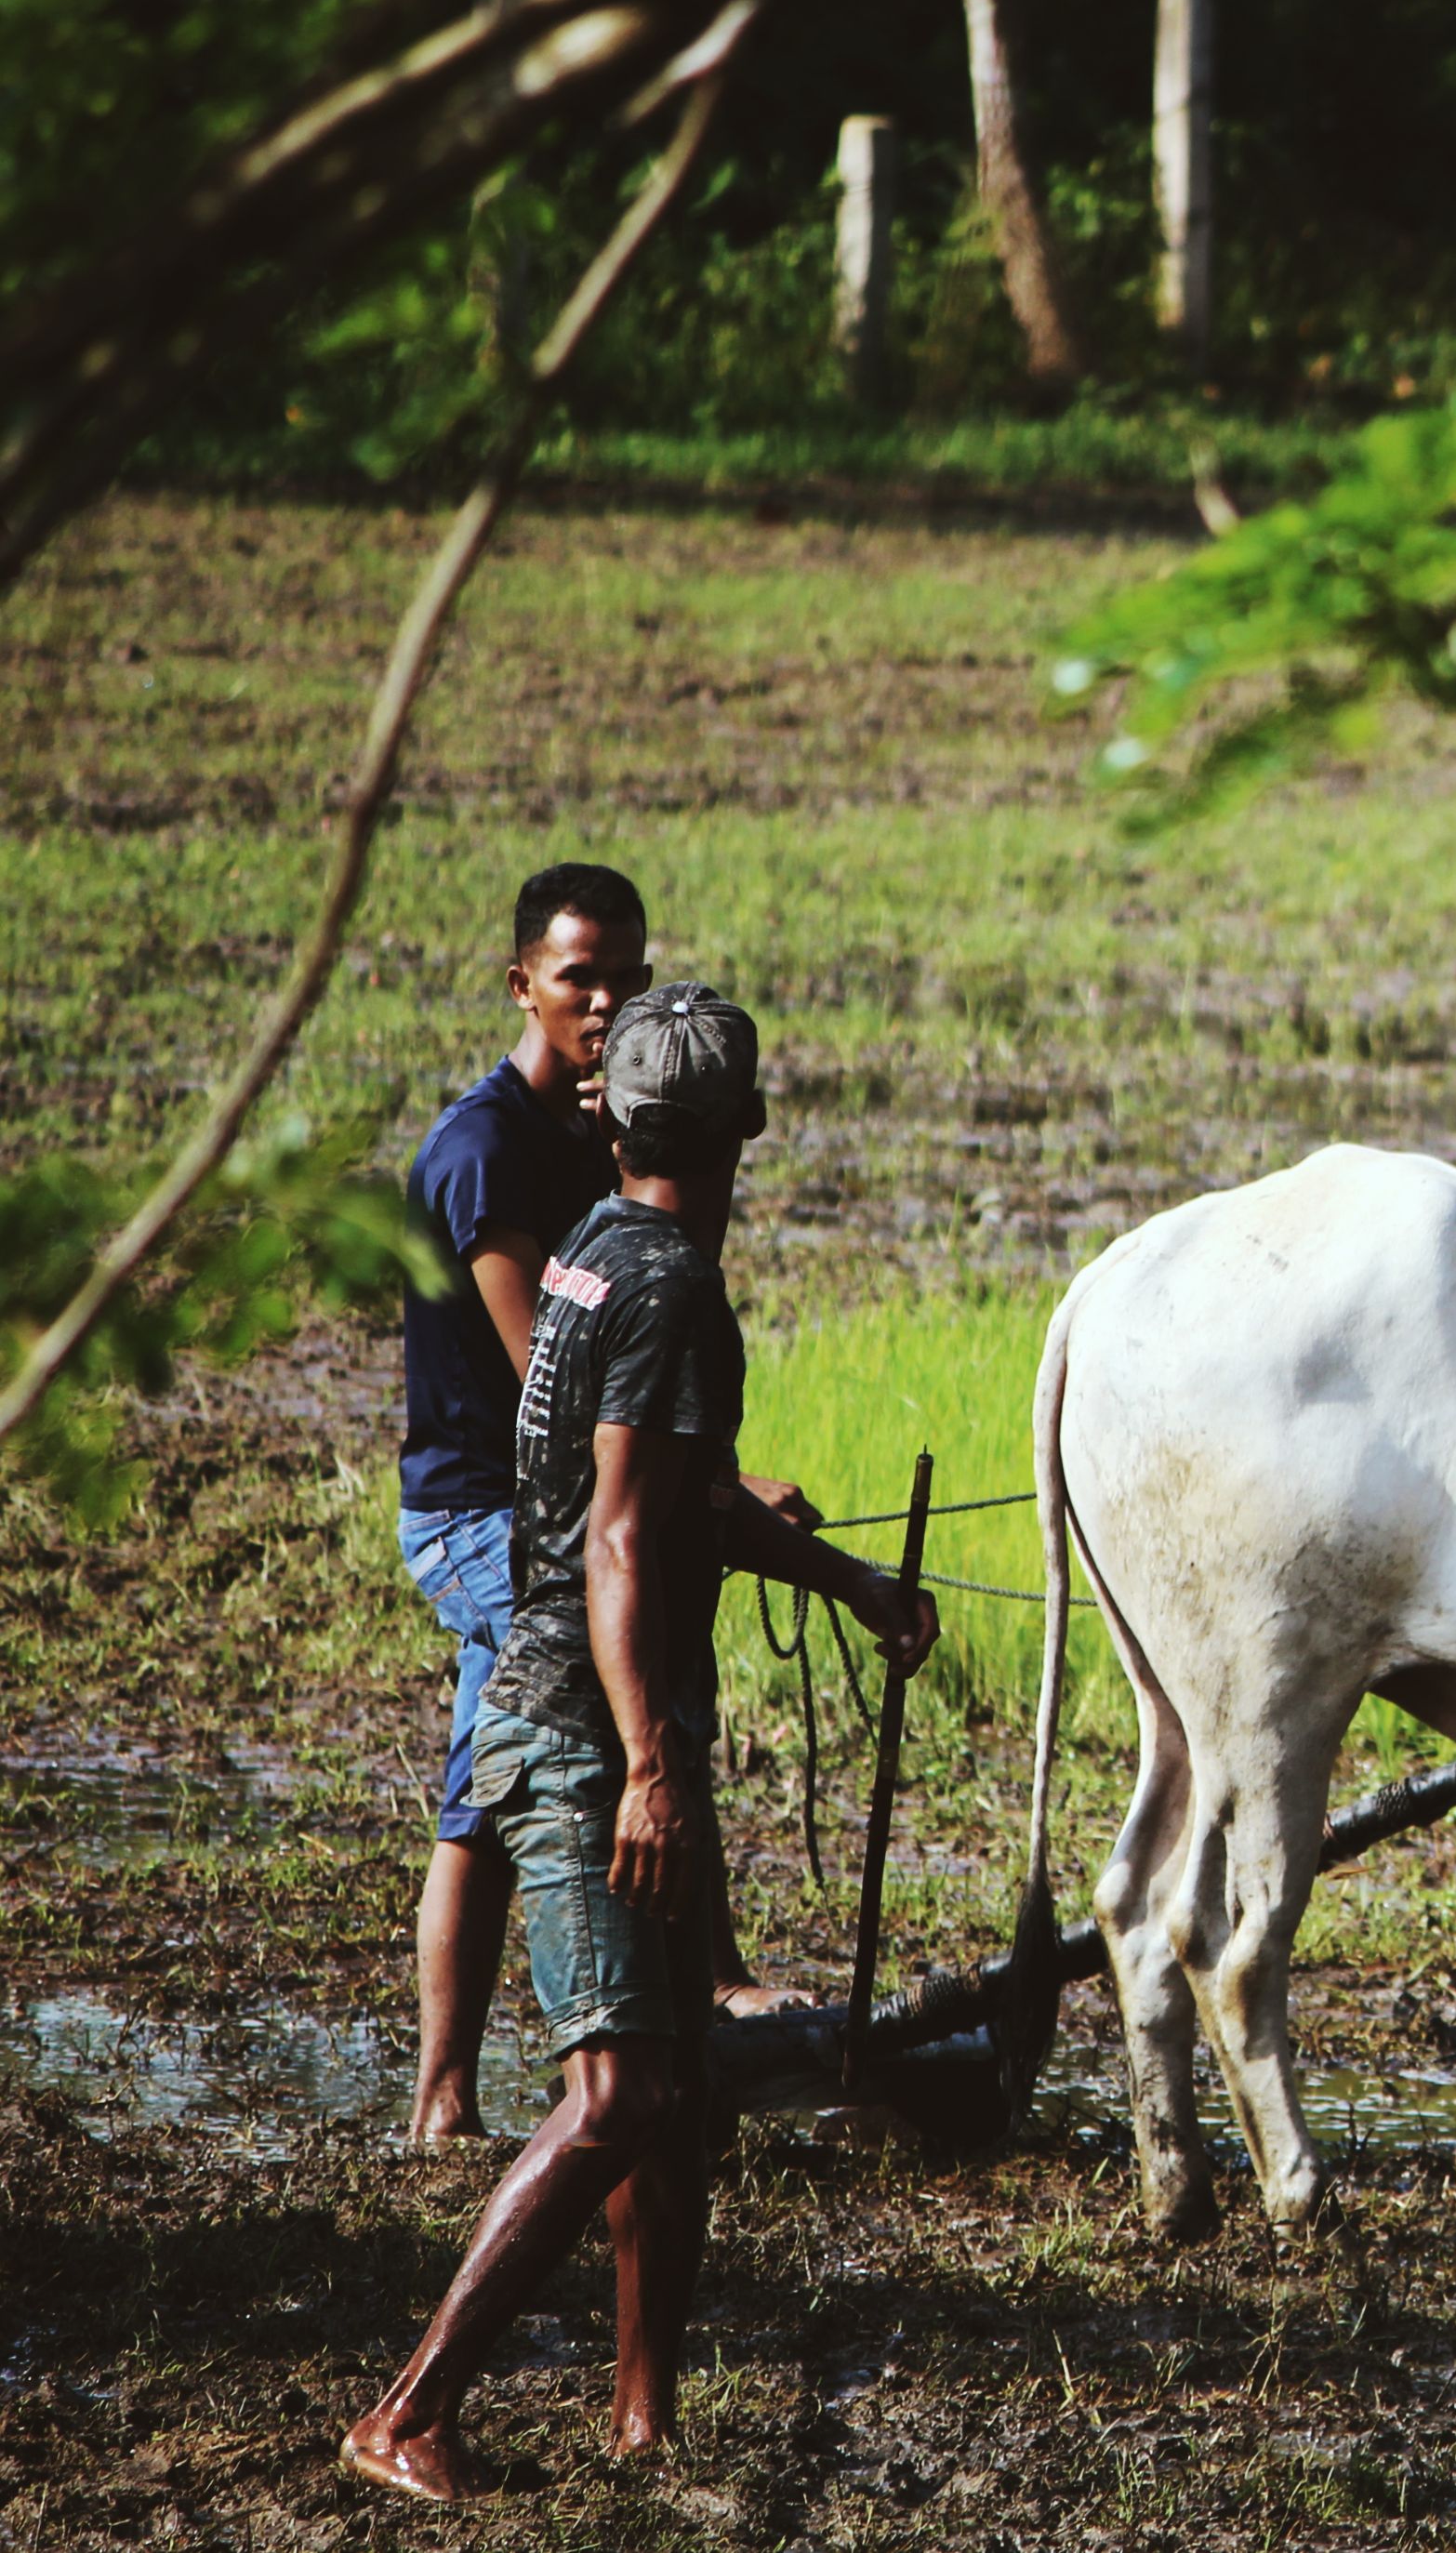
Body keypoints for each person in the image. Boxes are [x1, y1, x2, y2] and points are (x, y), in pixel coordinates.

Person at [343, 985, 939, 2501]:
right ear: (746, 1129)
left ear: (612, 1118)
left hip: (590, 1707)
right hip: (585, 1730)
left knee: (676, 2101)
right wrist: (653, 1766)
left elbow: (677, 1496)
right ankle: (404, 2416)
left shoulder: (597, 1257)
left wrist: (851, 1582)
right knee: (617, 2096)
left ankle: (642, 2416)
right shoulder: (676, 1288)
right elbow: (617, 1541)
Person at [397, 866, 808, 2139]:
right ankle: (449, 2093)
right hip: (483, 1504)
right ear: (523, 983)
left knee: (611, 1694)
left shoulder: (606, 1125)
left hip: (566, 1492)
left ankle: (687, 1991)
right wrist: (726, 1490)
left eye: (628, 976)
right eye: (581, 976)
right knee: (510, 1753)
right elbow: (556, 1390)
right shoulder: (483, 1152)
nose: (607, 999)